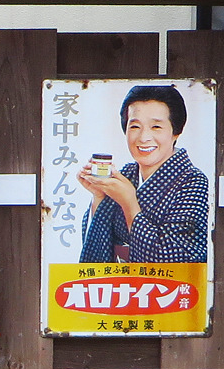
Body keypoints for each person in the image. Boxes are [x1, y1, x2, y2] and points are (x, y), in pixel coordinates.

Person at [77, 84, 210, 264]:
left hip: (165, 290)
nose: (143, 138)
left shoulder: (193, 182)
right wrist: (99, 197)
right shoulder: (126, 175)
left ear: (176, 132)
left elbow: (177, 258)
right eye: (135, 127)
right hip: (120, 288)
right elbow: (96, 249)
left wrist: (129, 202)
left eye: (156, 127)